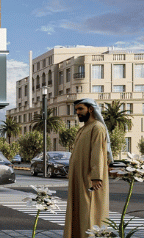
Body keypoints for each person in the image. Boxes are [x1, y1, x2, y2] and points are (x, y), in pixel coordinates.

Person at [64, 98, 112, 238]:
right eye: (76, 110)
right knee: (79, 211)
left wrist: (96, 177)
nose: (77, 112)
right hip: (78, 178)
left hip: (89, 179)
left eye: (80, 109)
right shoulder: (83, 129)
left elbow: (97, 153)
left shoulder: (97, 127)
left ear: (90, 109)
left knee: (89, 211)